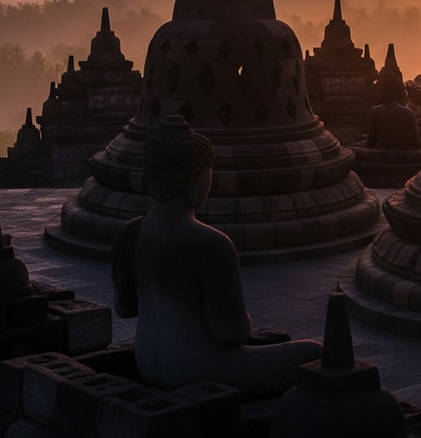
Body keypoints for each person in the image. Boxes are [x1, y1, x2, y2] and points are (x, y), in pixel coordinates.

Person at [112, 115, 321, 397]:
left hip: (148, 361)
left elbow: (125, 309)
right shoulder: (210, 243)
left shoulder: (131, 232)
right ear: (196, 180)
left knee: (275, 340)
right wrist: (243, 319)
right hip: (201, 371)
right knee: (314, 353)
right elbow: (232, 332)